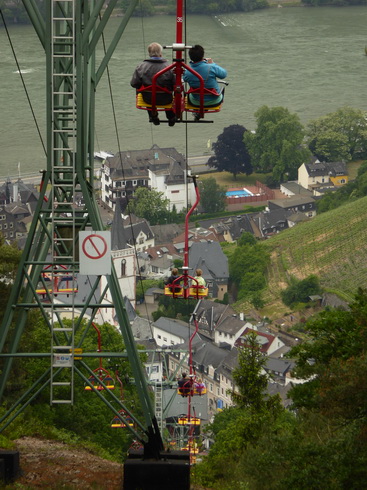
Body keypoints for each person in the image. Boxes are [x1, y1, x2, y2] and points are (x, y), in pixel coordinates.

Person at [130, 42, 176, 126]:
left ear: (149, 53)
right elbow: (176, 84)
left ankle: (153, 116)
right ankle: (171, 117)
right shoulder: (169, 67)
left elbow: (134, 83)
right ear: (160, 53)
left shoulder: (141, 67)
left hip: (148, 99)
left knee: (148, 91)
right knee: (167, 90)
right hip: (166, 99)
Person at [183, 44, 227, 118]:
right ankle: (203, 111)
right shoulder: (211, 67)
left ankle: (198, 112)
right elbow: (223, 74)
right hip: (214, 101)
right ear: (202, 55)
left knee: (193, 92)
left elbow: (184, 79)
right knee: (214, 89)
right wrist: (212, 63)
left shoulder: (188, 71)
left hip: (195, 102)